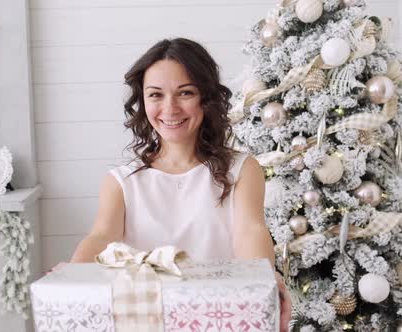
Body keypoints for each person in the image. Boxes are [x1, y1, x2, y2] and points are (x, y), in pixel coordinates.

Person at [68, 37, 291, 331]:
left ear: (206, 98)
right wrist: (71, 276)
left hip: (223, 318)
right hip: (146, 321)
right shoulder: (121, 182)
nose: (170, 108)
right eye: (155, 95)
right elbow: (100, 238)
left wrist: (265, 282)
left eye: (185, 93)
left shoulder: (242, 170)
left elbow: (250, 232)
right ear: (143, 100)